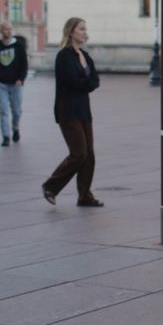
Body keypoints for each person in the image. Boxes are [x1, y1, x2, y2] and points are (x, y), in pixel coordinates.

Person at [43, 17, 103, 206]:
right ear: (71, 32)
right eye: (81, 29)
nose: (85, 32)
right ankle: (51, 186)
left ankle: (84, 196)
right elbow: (73, 82)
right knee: (79, 153)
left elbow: (95, 80)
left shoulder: (85, 55)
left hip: (84, 109)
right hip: (67, 110)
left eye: (86, 29)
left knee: (89, 155)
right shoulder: (64, 56)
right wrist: (87, 84)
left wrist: (87, 84)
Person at [0, 22, 29, 147]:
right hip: (1, 83)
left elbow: (24, 64)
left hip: (16, 84)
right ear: (1, 31)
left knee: (17, 111)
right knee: (3, 111)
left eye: (10, 29)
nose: (8, 31)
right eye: (5, 29)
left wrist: (21, 78)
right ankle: (5, 136)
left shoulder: (19, 46)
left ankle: (15, 128)